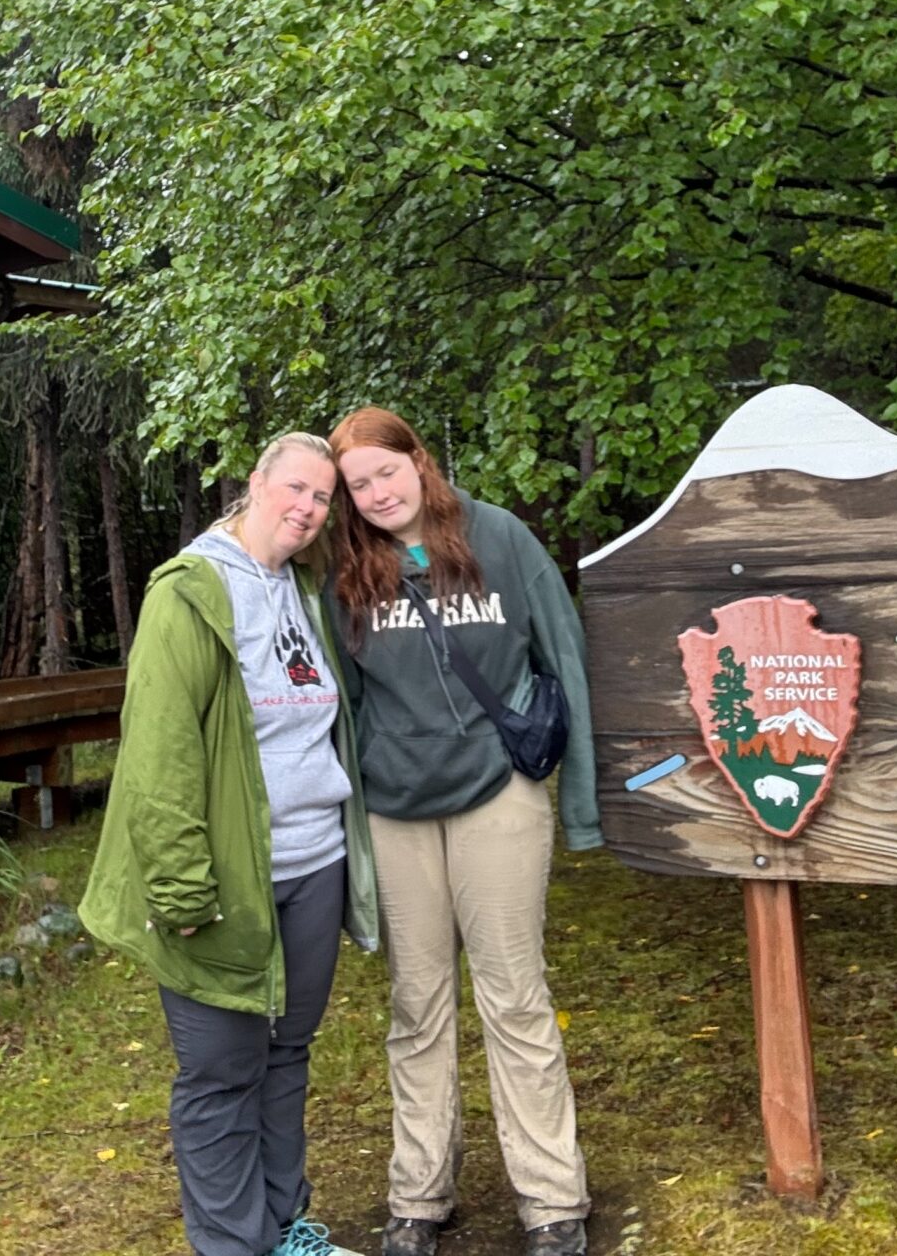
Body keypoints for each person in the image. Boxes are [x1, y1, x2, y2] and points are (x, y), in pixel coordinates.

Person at [83, 432, 381, 1256]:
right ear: (253, 483)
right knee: (220, 1075)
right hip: (223, 882)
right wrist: (181, 889)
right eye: (294, 489)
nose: (306, 509)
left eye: (322, 499)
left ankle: (288, 1232)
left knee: (287, 1057)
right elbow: (159, 752)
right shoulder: (191, 592)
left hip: (314, 863)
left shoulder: (304, 585)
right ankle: (231, 1245)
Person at [327, 408, 599, 1256]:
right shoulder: (344, 569)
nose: (376, 494)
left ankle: (553, 1202)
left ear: (418, 458)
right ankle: (418, 1196)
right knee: (417, 1006)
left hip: (498, 794)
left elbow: (564, 657)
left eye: (385, 472)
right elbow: (344, 698)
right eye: (357, 485)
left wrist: (581, 802)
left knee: (515, 997)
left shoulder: (501, 539)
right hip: (395, 806)